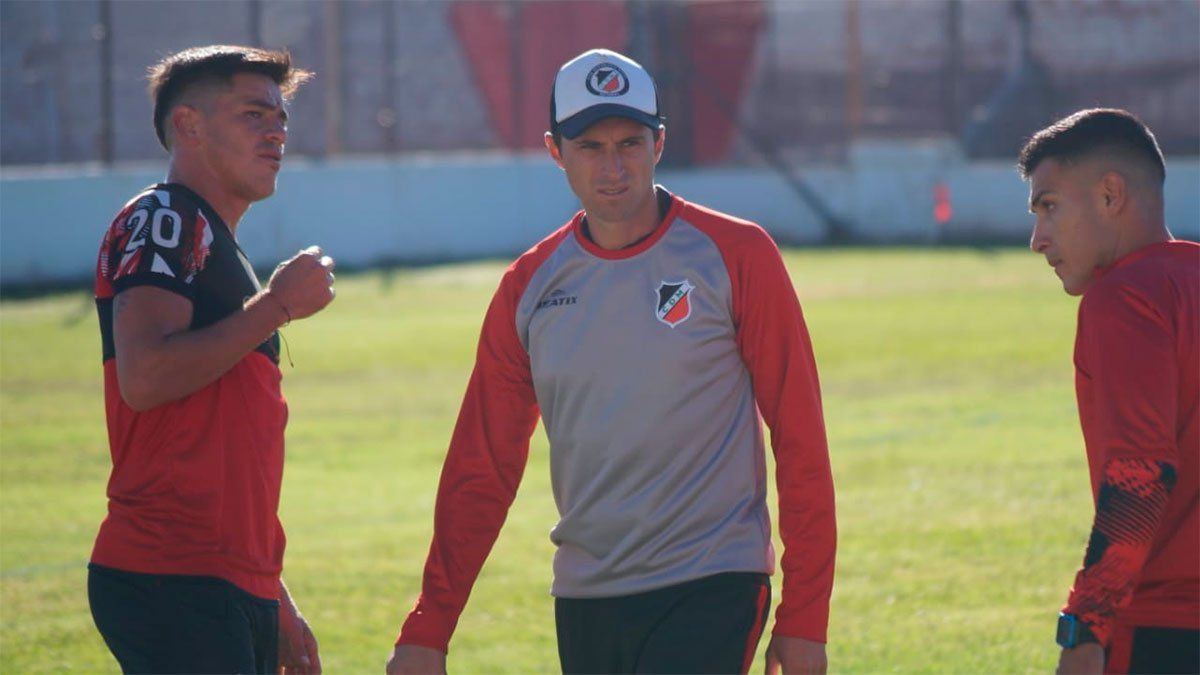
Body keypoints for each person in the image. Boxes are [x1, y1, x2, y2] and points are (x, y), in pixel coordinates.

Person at [386, 48, 835, 675]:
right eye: (591, 146)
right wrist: (428, 626)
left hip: (714, 581)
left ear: (659, 144)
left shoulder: (737, 254)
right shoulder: (528, 287)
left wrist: (805, 620)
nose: (614, 165)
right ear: (554, 151)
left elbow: (801, 438)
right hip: (586, 597)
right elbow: (481, 466)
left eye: (630, 142)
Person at [89, 45, 335, 674]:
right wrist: (275, 306)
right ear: (189, 126)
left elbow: (229, 449)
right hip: (173, 577)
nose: (276, 131)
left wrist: (270, 590)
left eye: (280, 118)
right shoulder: (165, 217)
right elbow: (145, 378)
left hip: (223, 581)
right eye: (254, 114)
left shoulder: (214, 242)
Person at [1020, 108, 1199, 674]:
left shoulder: (1123, 297)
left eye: (1049, 206)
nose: (1037, 238)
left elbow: (1142, 474)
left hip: (1166, 628)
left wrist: (1086, 625)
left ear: (1110, 194)